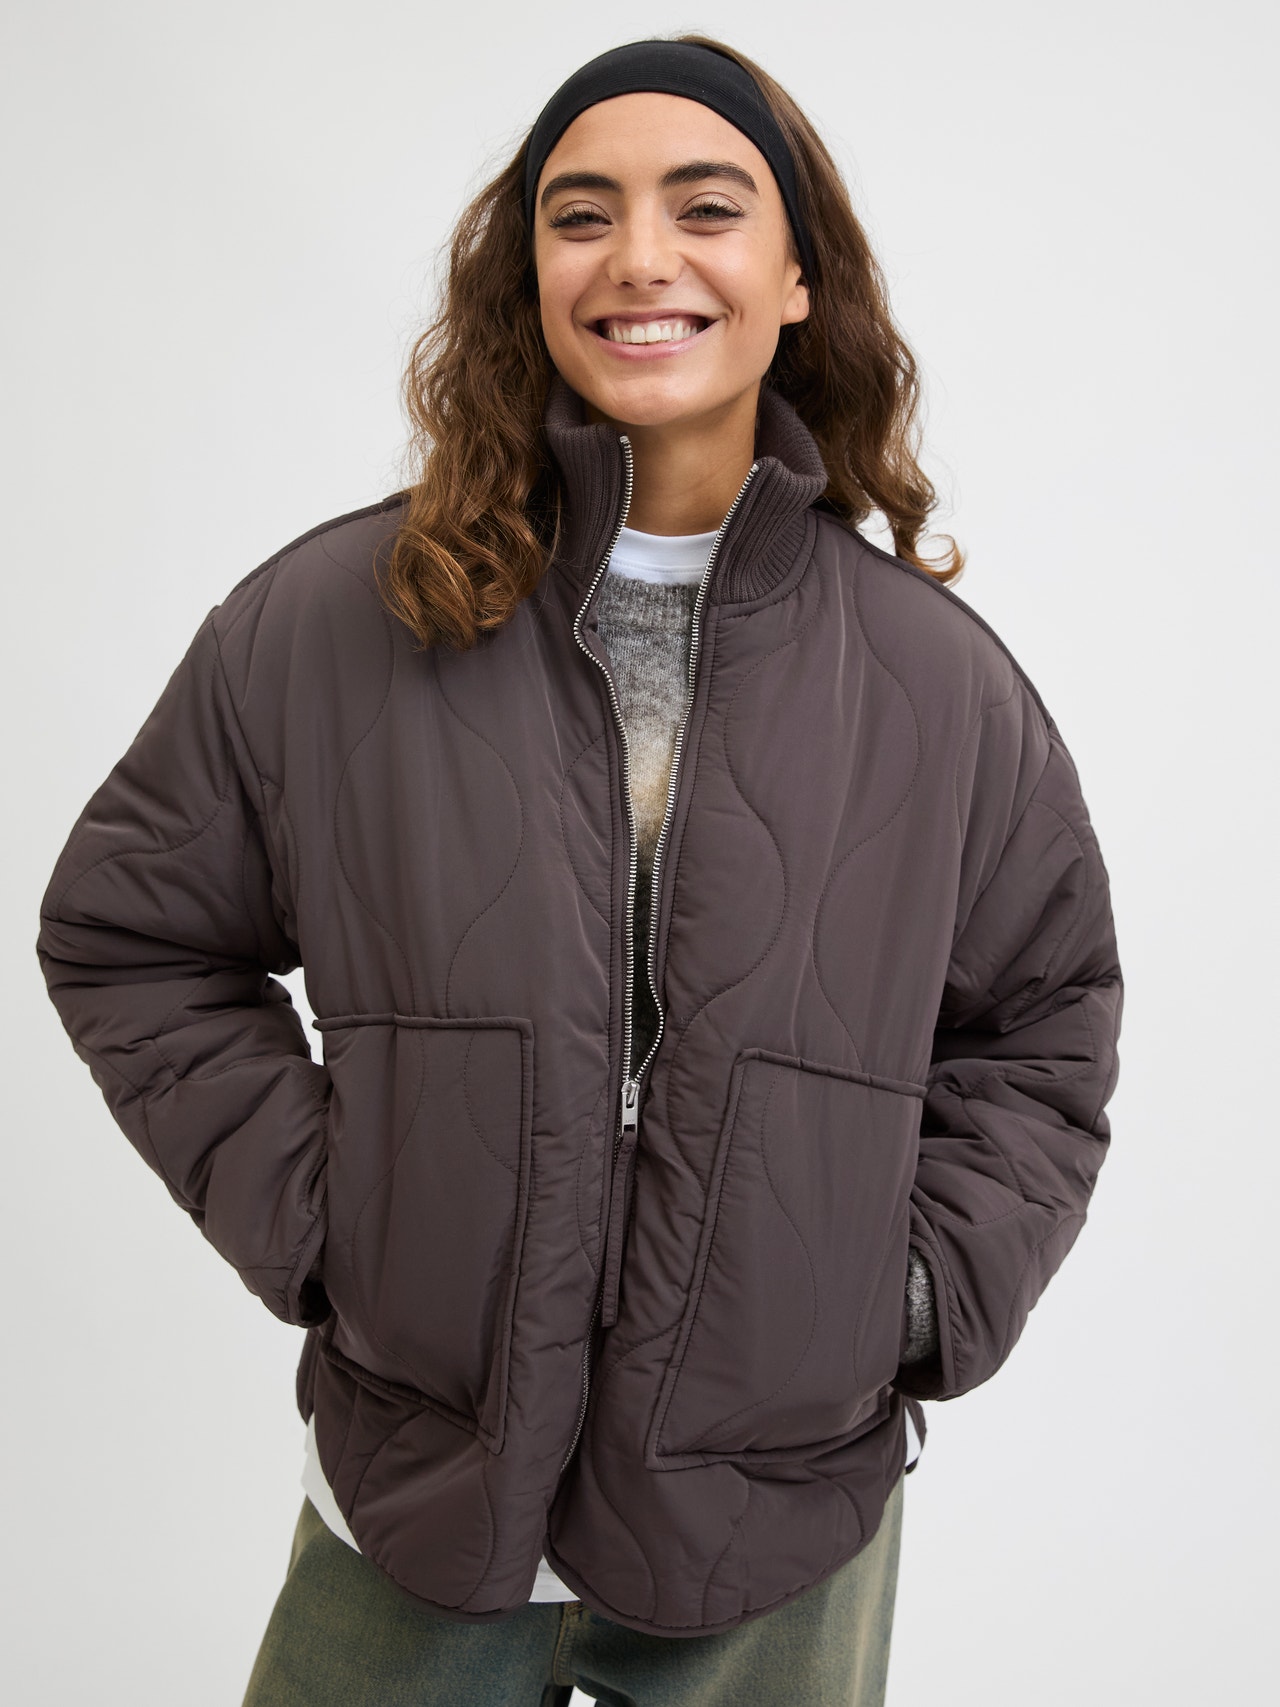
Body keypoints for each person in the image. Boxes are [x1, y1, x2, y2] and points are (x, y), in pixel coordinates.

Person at [35, 33, 1124, 1707]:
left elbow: (1043, 1023)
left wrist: (906, 1296)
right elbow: (131, 934)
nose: (640, 258)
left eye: (708, 208)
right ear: (527, 274)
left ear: (799, 280)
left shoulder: (937, 686)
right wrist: (332, 1225)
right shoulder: (328, 625)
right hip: (419, 1483)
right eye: (581, 214)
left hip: (778, 1510)